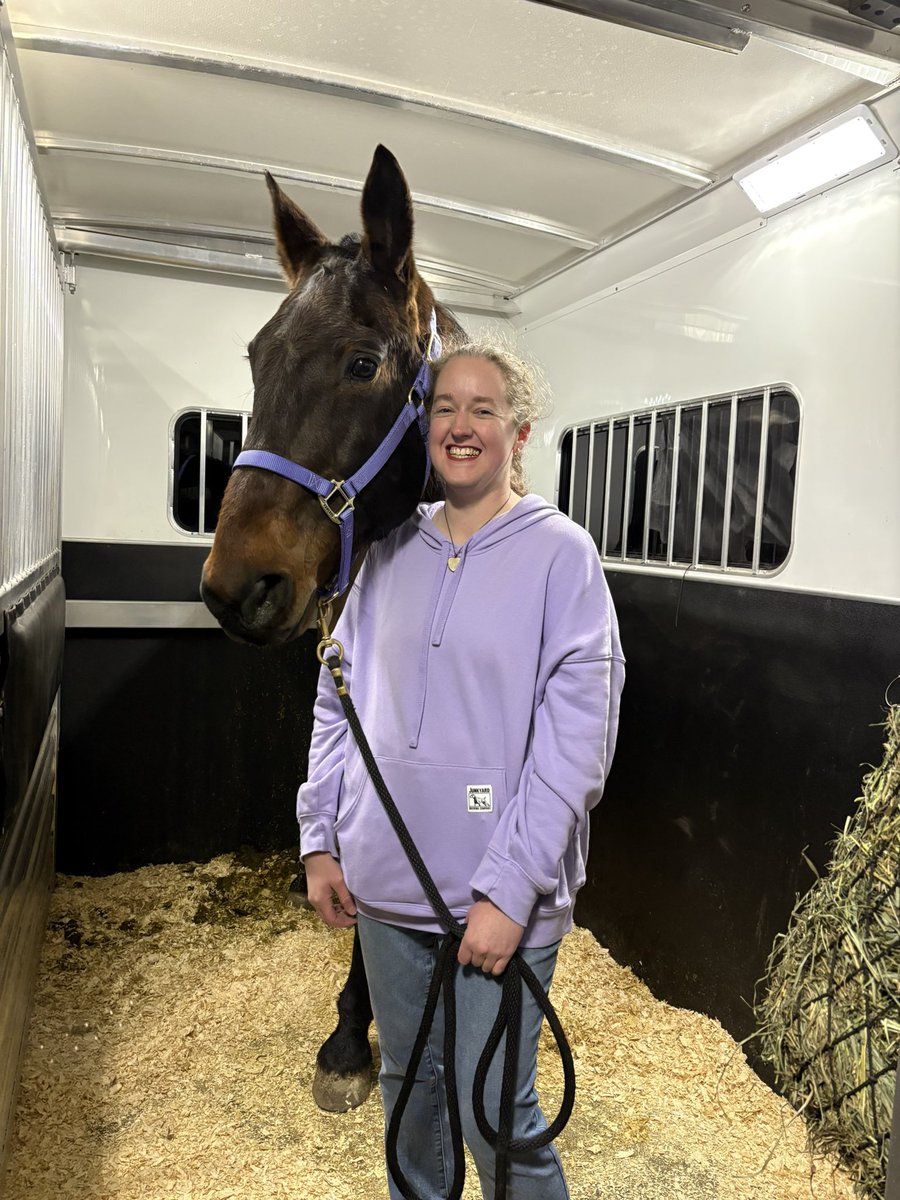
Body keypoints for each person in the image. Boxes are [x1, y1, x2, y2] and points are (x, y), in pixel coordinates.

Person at [298, 339, 625, 1200]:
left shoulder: (563, 557)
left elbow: (576, 741)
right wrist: (322, 838)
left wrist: (511, 890)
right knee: (408, 1091)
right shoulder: (384, 554)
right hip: (388, 893)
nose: (461, 425)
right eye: (445, 407)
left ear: (521, 432)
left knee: (497, 1115)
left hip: (499, 903)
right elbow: (340, 704)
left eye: (484, 409)